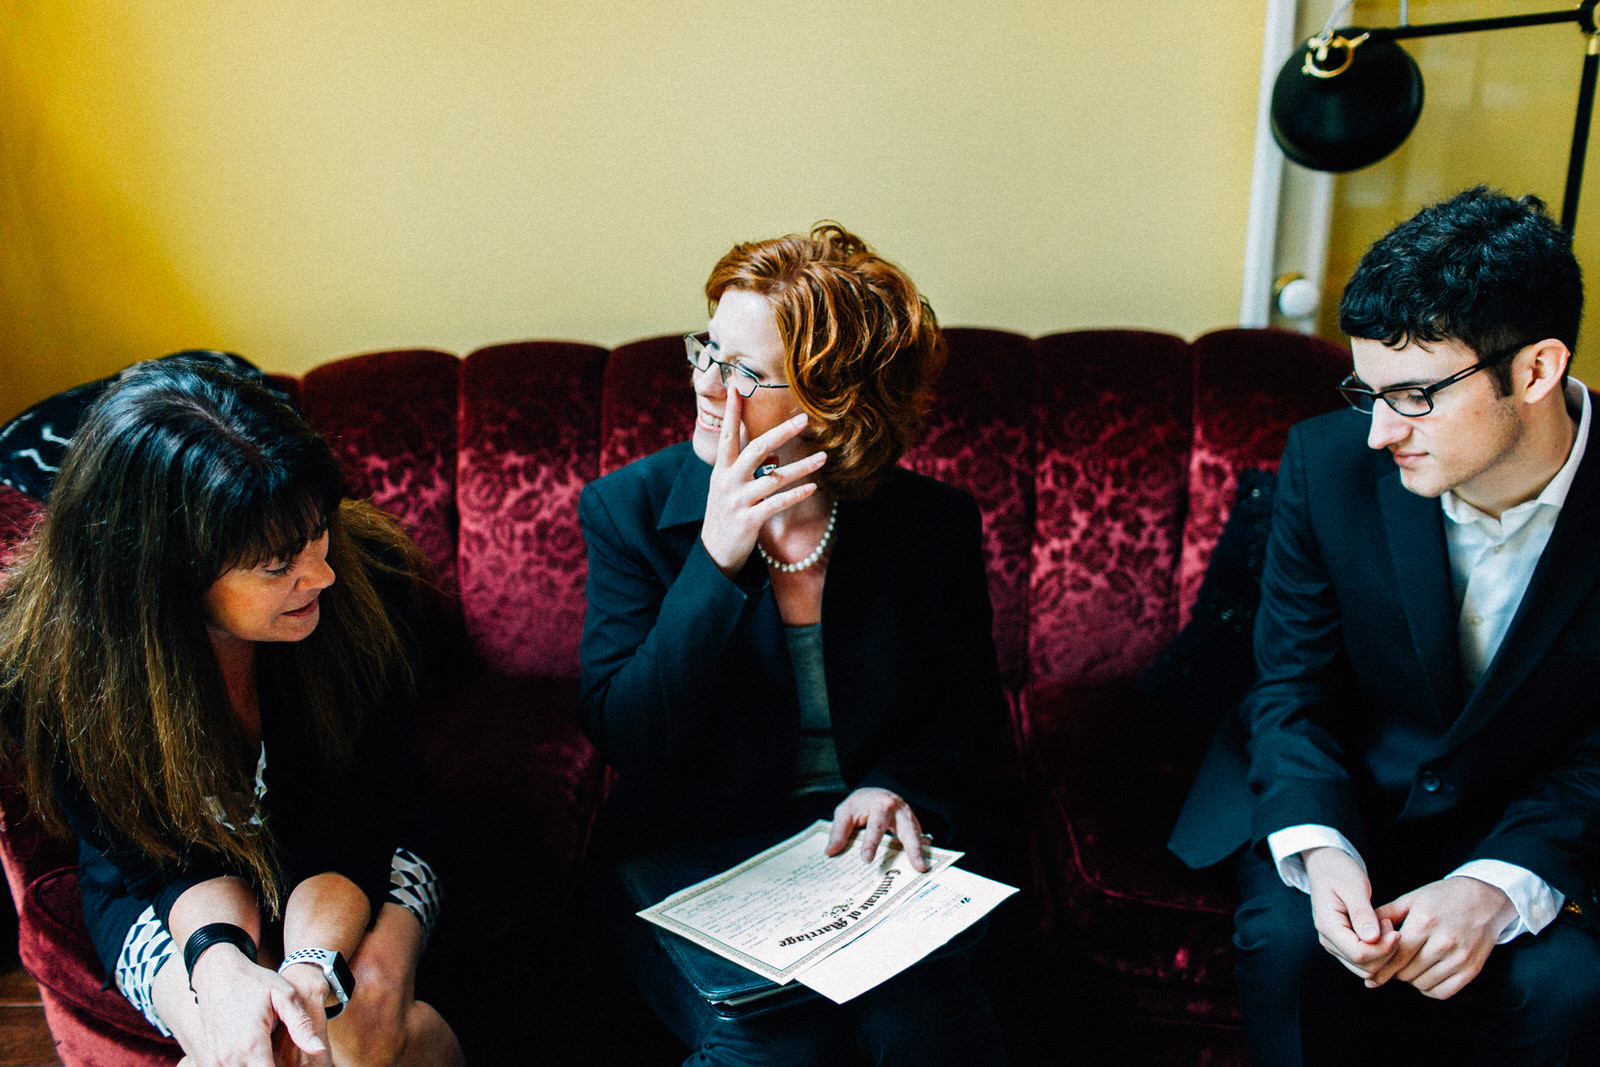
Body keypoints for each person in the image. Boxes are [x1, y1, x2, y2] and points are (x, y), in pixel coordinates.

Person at [1169, 187, 1600, 1064]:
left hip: (1530, 820)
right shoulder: (1323, 464)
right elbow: (1292, 687)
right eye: (1366, 392)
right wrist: (1322, 852)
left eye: (1411, 396)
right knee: (1290, 949)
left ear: (1536, 369)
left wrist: (1495, 885)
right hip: (1345, 798)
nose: (1376, 434)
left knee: (1571, 989)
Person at [579, 223, 1009, 1066]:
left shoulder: (931, 525)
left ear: (835, 401)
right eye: (706, 348)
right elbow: (629, 738)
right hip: (697, 853)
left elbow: (969, 716)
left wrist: (897, 785)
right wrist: (715, 560)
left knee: (928, 1031)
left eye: (744, 372)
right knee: (775, 1043)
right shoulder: (626, 512)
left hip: (872, 856)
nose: (708, 386)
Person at [0, 358, 464, 1066]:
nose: (323, 573)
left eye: (319, 532)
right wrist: (219, 963)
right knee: (236, 1046)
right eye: (278, 564)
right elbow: (152, 859)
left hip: (358, 841)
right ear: (167, 577)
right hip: (151, 878)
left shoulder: (367, 584)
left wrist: (310, 968)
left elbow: (351, 818)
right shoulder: (53, 666)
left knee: (354, 1029)